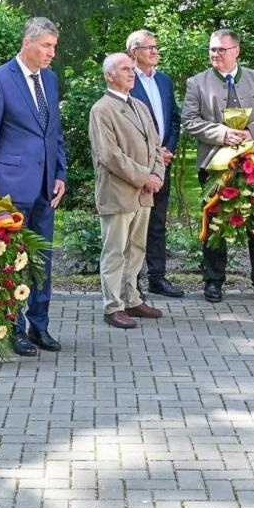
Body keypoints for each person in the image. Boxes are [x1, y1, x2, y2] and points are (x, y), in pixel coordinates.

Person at [0, 17, 69, 355]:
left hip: (46, 188)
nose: (51, 53)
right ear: (27, 43)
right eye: (46, 46)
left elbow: (54, 133)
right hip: (10, 191)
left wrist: (61, 173)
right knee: (12, 261)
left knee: (41, 260)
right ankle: (13, 329)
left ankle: (39, 326)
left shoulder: (51, 79)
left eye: (54, 47)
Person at [183, 28, 254, 305]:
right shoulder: (197, 83)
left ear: (236, 51)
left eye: (221, 49)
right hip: (215, 165)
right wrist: (223, 133)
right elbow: (190, 120)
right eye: (212, 49)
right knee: (215, 223)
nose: (215, 54)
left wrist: (253, 131)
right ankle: (213, 281)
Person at [88, 52, 165, 329]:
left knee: (137, 248)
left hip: (144, 193)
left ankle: (132, 299)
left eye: (132, 68)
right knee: (115, 251)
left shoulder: (140, 106)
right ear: (110, 75)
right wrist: (145, 176)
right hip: (119, 192)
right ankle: (112, 306)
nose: (132, 73)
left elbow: (156, 146)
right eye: (124, 69)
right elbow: (110, 155)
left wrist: (157, 174)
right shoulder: (102, 109)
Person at [126, 29, 183, 298]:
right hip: (137, 166)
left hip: (163, 162)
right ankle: (132, 282)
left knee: (158, 221)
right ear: (134, 51)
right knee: (135, 223)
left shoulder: (164, 81)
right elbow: (125, 125)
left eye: (156, 47)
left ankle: (157, 277)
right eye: (149, 47)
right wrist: (152, 154)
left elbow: (174, 118)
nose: (155, 51)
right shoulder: (126, 80)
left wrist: (168, 148)